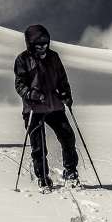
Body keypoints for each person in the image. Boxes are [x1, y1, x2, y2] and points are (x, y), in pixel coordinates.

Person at [14, 25, 79, 191]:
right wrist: (32, 94)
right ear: (30, 43)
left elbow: (62, 79)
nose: (43, 46)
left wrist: (66, 94)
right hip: (34, 109)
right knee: (38, 146)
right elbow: (19, 84)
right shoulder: (22, 59)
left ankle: (70, 172)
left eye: (45, 42)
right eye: (39, 43)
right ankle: (42, 177)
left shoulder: (54, 57)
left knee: (68, 137)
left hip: (55, 106)